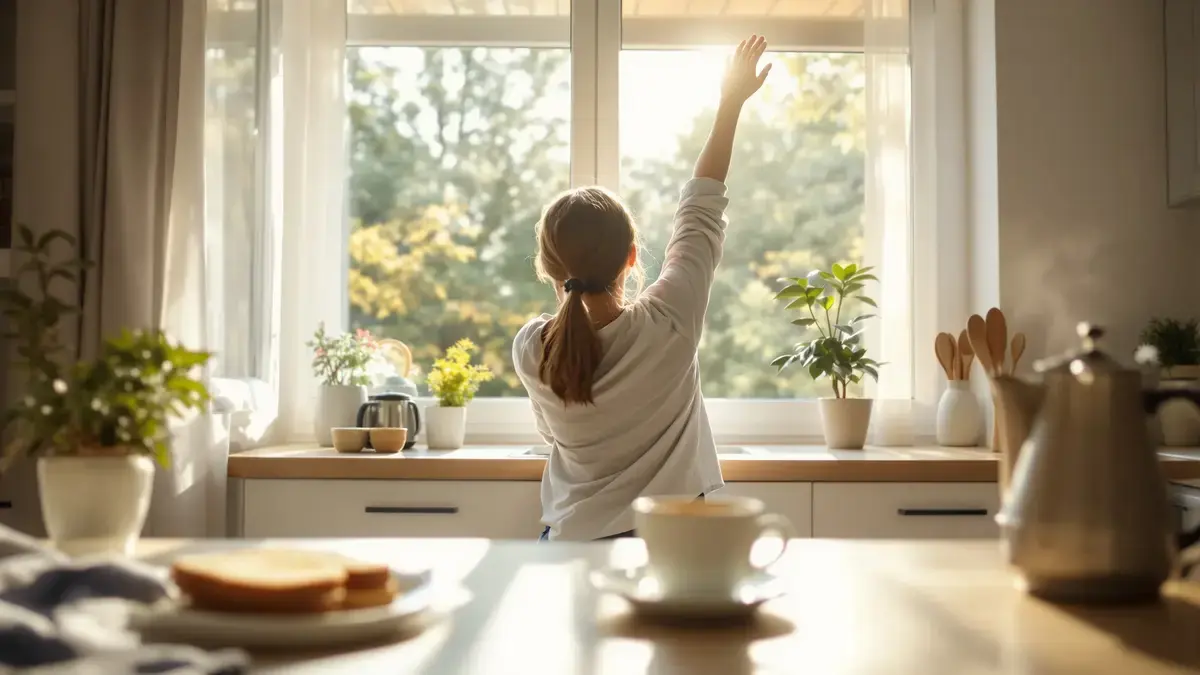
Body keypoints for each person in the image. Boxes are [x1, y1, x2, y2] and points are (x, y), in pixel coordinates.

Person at [512, 35, 772, 541]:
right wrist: (730, 103)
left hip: (567, 550)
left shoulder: (531, 348)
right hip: (668, 552)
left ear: (546, 267)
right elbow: (700, 209)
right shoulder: (671, 320)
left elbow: (550, 433)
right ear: (632, 257)